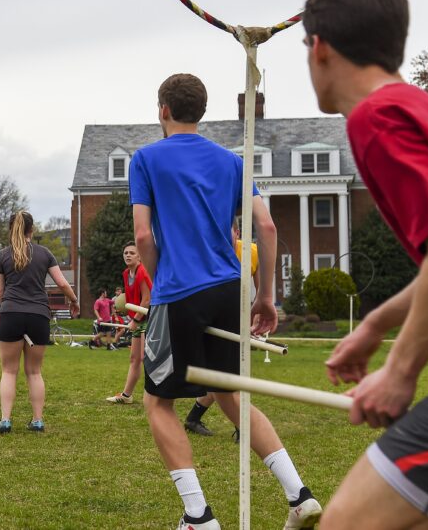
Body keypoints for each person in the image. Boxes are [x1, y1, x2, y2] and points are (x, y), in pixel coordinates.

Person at [132, 73, 320, 529]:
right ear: (201, 110)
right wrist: (267, 298)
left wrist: (161, 289)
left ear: (162, 110)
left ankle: (198, 516)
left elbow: (142, 236)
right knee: (230, 395)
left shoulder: (146, 158)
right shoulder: (231, 161)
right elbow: (268, 228)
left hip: (180, 290)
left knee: (158, 404)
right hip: (230, 289)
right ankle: (299, 495)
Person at [301, 0, 428, 530]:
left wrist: (401, 370)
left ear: (322, 48)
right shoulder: (414, 107)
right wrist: (377, 324)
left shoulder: (377, 121)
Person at [0, 210, 79, 433]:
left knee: (9, 371)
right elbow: (62, 283)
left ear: (12, 229)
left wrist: (10, 304)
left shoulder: (3, 255)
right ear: (32, 230)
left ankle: (5, 420)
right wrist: (74, 301)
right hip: (39, 316)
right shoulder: (44, 253)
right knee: (34, 371)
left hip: (11, 314)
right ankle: (37, 420)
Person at [184, 219, 260, 439]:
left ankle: (193, 418)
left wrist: (254, 316)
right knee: (227, 375)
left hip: (237, 317)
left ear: (238, 231)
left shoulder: (252, 252)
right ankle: (240, 427)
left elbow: (258, 289)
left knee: (223, 375)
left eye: (230, 233)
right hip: (212, 318)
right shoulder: (207, 252)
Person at [106, 242, 152, 405]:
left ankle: (155, 395)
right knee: (135, 358)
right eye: (126, 253)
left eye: (132, 253)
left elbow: (147, 299)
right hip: (138, 320)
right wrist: (124, 308)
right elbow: (134, 298)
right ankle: (127, 396)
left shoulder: (142, 272)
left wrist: (136, 319)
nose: (128, 255)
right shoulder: (126, 274)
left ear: (139, 256)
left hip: (149, 319)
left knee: (148, 359)